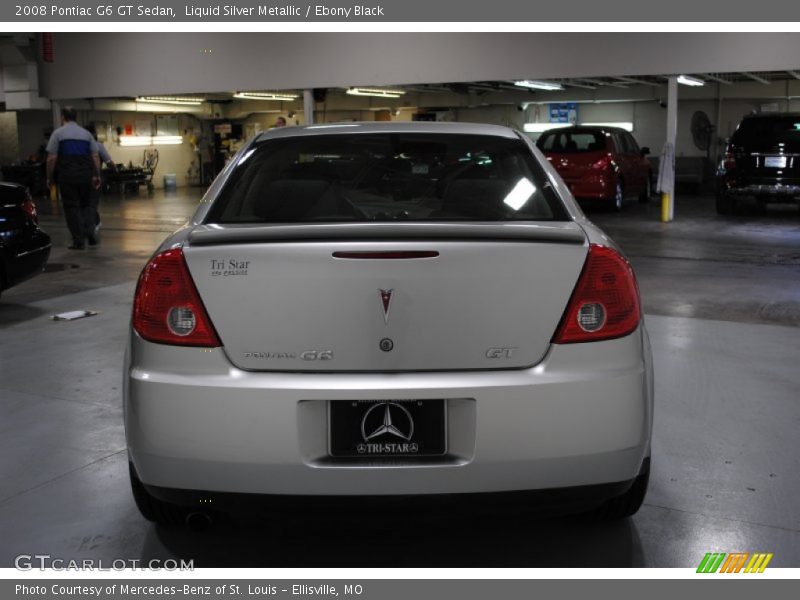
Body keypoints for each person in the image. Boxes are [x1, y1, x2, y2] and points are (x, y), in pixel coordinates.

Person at [46, 107, 101, 249]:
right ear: (76, 117)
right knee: (86, 206)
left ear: (63, 117)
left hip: (67, 177)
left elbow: (51, 158)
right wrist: (97, 175)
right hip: (85, 176)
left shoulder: (58, 134)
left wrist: (49, 177)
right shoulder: (86, 134)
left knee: (71, 207)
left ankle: (79, 241)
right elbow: (95, 157)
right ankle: (90, 233)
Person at [85, 124, 116, 237]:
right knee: (92, 203)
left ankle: (93, 223)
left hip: (81, 179)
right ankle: (94, 224)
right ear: (94, 134)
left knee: (85, 204)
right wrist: (114, 168)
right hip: (95, 178)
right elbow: (109, 162)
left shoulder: (80, 146)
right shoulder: (98, 145)